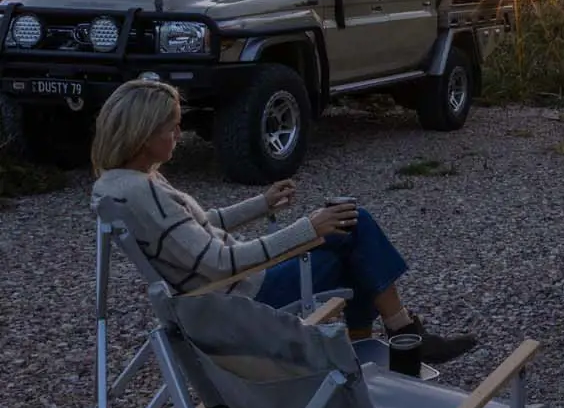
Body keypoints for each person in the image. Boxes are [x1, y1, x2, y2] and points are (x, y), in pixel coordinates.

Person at [89, 78, 477, 364]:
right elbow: (220, 262)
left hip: (215, 296)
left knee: (350, 229)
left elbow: (200, 225)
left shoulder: (123, 185)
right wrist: (309, 227)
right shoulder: (145, 192)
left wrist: (262, 203)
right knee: (352, 233)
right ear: (142, 135)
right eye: (170, 126)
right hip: (242, 299)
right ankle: (398, 338)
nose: (178, 132)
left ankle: (384, 340)